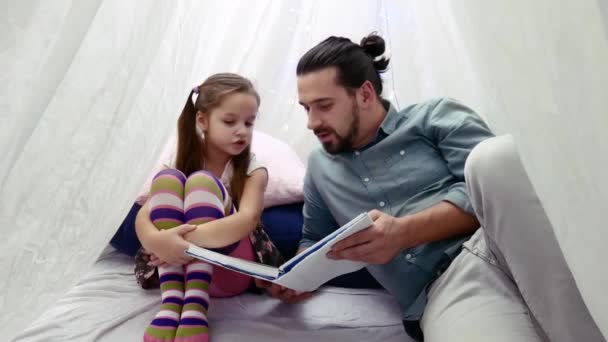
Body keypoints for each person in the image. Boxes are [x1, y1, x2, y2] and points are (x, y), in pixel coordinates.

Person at [256, 34, 604, 342]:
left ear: (364, 94)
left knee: (494, 158)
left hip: (507, 244)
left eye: (324, 106)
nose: (312, 122)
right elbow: (314, 238)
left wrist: (403, 232)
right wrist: (296, 276)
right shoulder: (319, 167)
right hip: (445, 289)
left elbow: (496, 189)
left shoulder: (433, 117)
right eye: (306, 108)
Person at [135, 73, 282, 342]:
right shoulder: (181, 157)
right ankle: (171, 304)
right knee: (166, 181)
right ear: (202, 120)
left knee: (202, 182)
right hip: (176, 267)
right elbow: (144, 215)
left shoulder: (253, 168)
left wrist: (181, 242)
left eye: (249, 123)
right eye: (230, 121)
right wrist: (157, 241)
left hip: (229, 269)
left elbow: (248, 218)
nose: (242, 130)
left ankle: (195, 307)